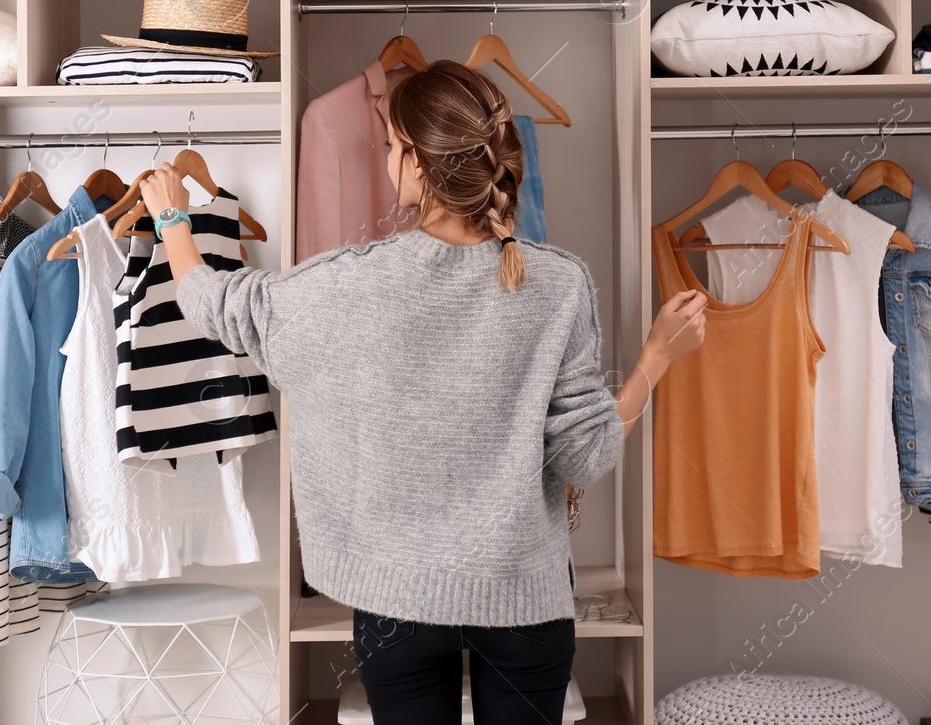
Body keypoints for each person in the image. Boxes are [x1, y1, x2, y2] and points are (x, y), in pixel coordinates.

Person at [139, 59, 707, 724]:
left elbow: (218, 306)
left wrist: (173, 216)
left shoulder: (348, 281)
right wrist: (655, 358)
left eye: (390, 148)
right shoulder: (559, 284)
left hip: (396, 609)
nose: (386, 161)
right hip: (524, 602)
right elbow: (585, 458)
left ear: (415, 162)